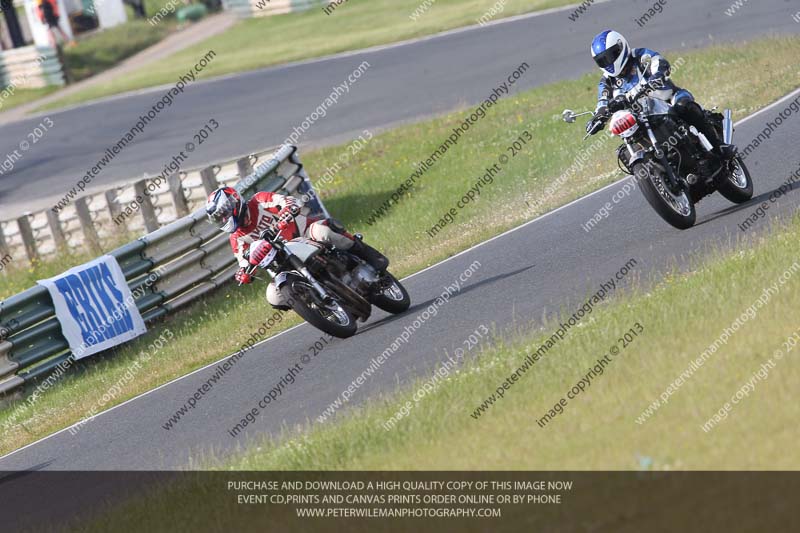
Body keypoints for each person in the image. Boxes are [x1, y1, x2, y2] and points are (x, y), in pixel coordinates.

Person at [206, 187, 389, 309]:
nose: (223, 219)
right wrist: (244, 273)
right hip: (284, 263)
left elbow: (289, 201)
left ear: (233, 203)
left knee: (324, 231)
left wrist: (287, 212)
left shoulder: (259, 201)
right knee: (274, 296)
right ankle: (316, 306)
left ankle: (370, 256)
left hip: (305, 233)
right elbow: (243, 260)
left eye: (223, 214)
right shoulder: (236, 238)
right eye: (219, 218)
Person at [585, 30, 733, 162]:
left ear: (620, 47)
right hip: (640, 116)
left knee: (684, 107)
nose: (609, 62)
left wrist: (657, 76)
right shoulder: (607, 82)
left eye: (611, 56)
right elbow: (602, 101)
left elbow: (659, 62)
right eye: (603, 60)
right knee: (626, 147)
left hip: (669, 99)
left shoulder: (640, 56)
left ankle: (718, 146)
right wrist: (598, 116)